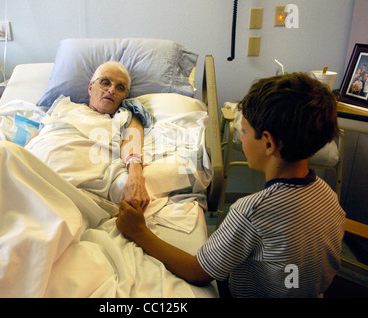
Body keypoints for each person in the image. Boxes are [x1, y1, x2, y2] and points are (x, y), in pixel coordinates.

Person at [116, 72, 346, 298]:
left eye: (244, 131)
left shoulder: (251, 211)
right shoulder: (328, 195)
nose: (242, 138)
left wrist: (139, 231)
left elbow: (197, 272)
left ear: (267, 142)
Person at [27, 61, 150, 211]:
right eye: (105, 83)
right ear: (91, 88)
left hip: (69, 187)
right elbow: (36, 138)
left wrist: (135, 174)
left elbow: (133, 144)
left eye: (120, 87)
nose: (111, 90)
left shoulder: (123, 117)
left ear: (124, 96)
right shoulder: (63, 106)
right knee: (2, 151)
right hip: (26, 173)